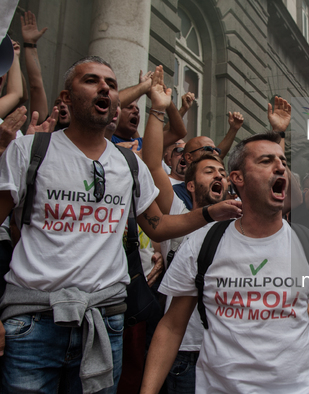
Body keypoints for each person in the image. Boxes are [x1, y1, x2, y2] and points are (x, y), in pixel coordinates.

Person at [0, 57, 241, 393]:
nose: (104, 88)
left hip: (105, 321)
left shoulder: (129, 164)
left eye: (111, 85)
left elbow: (157, 225)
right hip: (33, 322)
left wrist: (208, 214)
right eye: (91, 80)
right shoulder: (29, 151)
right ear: (66, 97)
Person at [140, 131, 309, 394]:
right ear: (237, 178)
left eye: (282, 161)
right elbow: (173, 326)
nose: (280, 166)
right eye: (266, 161)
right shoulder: (204, 244)